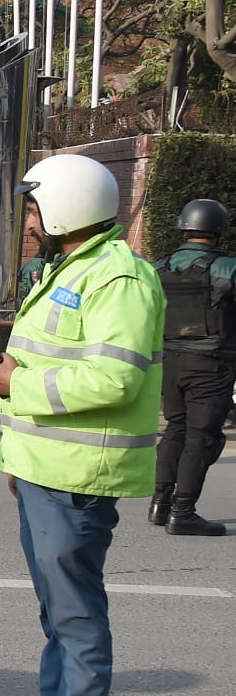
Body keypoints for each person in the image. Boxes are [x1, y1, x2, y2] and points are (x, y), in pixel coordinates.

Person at [0, 154, 164, 696]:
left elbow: (115, 377)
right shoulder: (67, 270)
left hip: (79, 475)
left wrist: (13, 382)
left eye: (33, 206)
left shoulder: (120, 279)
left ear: (68, 206)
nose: (28, 219)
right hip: (41, 468)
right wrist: (18, 462)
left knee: (78, 616)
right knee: (56, 610)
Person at [150, 198, 235, 536]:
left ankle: (160, 504)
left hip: (169, 361)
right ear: (218, 231)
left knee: (175, 429)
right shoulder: (226, 267)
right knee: (202, 437)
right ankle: (183, 512)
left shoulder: (159, 267)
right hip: (210, 364)